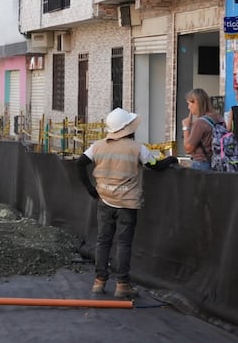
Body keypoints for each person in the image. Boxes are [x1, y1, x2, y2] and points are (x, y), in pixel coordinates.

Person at [75, 108, 176, 300]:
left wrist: (90, 189)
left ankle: (99, 282)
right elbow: (156, 166)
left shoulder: (97, 146)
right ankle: (122, 285)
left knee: (103, 241)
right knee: (123, 243)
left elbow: (79, 164)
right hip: (127, 203)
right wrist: (171, 159)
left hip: (104, 200)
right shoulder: (137, 148)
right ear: (128, 128)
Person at [182, 87, 220, 171]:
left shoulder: (200, 123)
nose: (189, 107)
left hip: (201, 163)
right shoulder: (218, 118)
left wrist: (186, 127)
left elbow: (188, 148)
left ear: (195, 102)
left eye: (189, 103)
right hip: (217, 163)